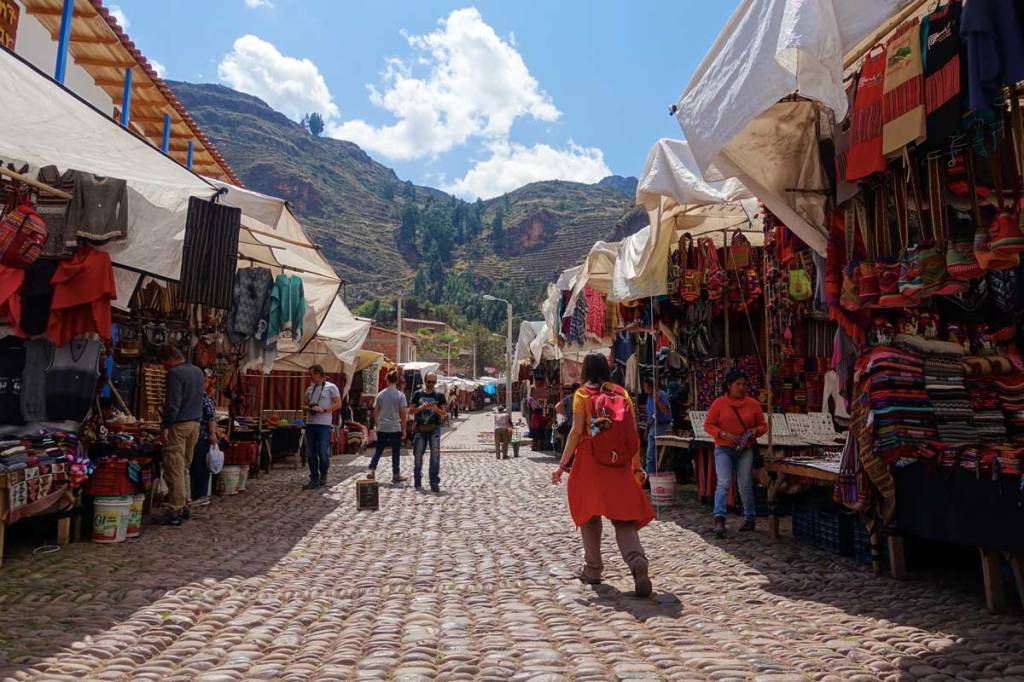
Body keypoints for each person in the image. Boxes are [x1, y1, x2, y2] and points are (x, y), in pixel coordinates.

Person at [551, 353, 654, 598]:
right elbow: (631, 434)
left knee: (589, 515)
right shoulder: (621, 394)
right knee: (624, 519)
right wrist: (635, 466)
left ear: (585, 371)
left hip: (589, 462)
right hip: (618, 463)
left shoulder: (582, 395)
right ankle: (637, 561)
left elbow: (577, 432)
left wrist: (562, 465)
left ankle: (593, 569)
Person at [704, 368, 768, 538]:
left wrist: (755, 431)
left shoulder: (753, 404)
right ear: (729, 386)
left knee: (745, 483)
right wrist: (722, 434)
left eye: (744, 384)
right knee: (724, 482)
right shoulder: (719, 404)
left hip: (745, 449)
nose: (741, 387)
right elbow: (709, 425)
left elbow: (763, 425)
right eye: (738, 384)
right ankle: (719, 518)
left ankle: (749, 517)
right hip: (724, 448)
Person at [158, 345, 205, 526]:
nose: (164, 368)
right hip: (195, 423)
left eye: (164, 364)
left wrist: (165, 426)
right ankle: (185, 503)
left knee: (174, 466)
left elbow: (173, 403)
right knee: (184, 465)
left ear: (169, 358)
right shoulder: (198, 372)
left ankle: (175, 508)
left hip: (179, 424)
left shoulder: (175, 374)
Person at [303, 364, 341, 490]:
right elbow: (304, 404)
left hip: (324, 424)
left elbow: (338, 403)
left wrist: (324, 410)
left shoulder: (331, 387)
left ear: (319, 374)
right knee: (310, 453)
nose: (310, 377)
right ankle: (314, 478)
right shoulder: (310, 388)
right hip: (310, 423)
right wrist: (310, 408)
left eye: (312, 374)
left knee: (322, 452)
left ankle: (323, 473)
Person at [409, 372, 447, 492]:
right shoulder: (417, 394)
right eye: (429, 382)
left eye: (433, 382)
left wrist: (435, 409)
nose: (431, 384)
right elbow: (411, 411)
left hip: (434, 428)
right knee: (418, 456)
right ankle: (417, 480)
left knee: (435, 456)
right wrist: (422, 408)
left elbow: (444, 413)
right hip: (420, 428)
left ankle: (434, 481)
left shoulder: (439, 396)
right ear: (425, 381)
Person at [369, 370, 407, 483]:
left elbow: (375, 411)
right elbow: (403, 413)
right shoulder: (400, 395)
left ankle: (372, 469)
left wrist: (377, 424)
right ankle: (396, 474)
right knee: (396, 451)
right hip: (395, 427)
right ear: (397, 381)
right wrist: (404, 429)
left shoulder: (381, 394)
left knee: (379, 449)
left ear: (387, 380)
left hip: (383, 427)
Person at [189, 372, 219, 508]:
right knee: (194, 465)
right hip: (195, 436)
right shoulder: (195, 396)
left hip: (203, 436)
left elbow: (211, 417)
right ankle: (195, 494)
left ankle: (201, 495)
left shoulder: (203, 397)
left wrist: (212, 434)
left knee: (200, 466)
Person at [643, 377, 673, 475]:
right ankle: (649, 476)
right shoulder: (649, 397)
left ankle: (656, 474)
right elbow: (650, 415)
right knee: (650, 455)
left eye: (645, 386)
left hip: (662, 427)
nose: (644, 388)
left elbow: (667, 412)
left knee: (660, 455)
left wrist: (658, 400)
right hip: (653, 427)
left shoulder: (661, 395)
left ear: (649, 386)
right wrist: (646, 430)